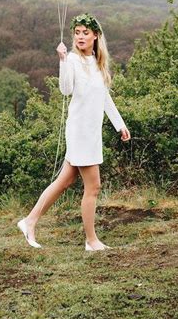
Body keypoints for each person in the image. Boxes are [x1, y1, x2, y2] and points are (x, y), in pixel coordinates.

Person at [17, 13, 131, 252]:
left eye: (85, 33)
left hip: (91, 131)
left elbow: (104, 98)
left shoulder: (98, 62)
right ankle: (91, 240)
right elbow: (66, 89)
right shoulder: (71, 59)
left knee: (64, 181)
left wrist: (119, 124)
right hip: (79, 131)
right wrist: (61, 61)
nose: (80, 37)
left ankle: (29, 221)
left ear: (95, 36)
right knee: (94, 187)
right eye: (77, 33)